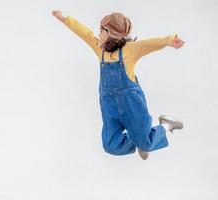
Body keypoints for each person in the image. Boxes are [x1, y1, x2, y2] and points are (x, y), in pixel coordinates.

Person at [52, 10, 185, 160]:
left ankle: (166, 126)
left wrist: (170, 40)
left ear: (112, 34)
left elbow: (151, 43)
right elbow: (84, 33)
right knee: (111, 146)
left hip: (132, 106)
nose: (98, 34)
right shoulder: (99, 49)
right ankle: (139, 140)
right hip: (110, 109)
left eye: (102, 31)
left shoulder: (130, 50)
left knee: (146, 143)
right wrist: (64, 19)